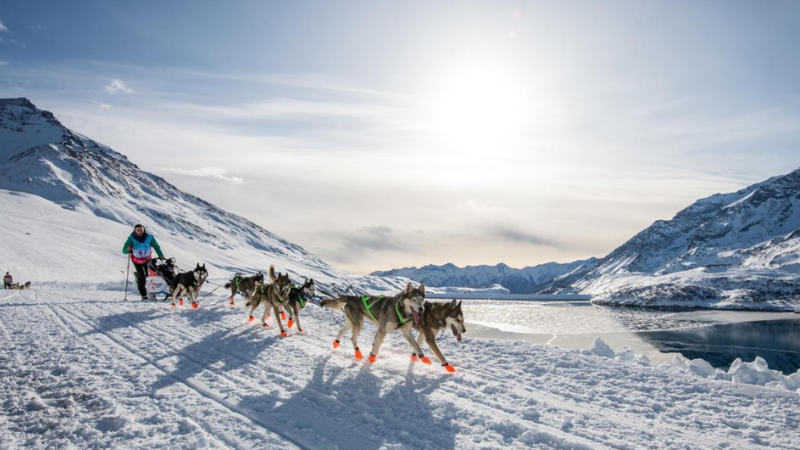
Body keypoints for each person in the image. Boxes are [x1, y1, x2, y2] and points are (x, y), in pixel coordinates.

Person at [122, 224, 165, 300]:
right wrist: (128, 249)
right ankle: (144, 295)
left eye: (141, 230)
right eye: (137, 230)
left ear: (144, 230)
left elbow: (156, 247)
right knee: (141, 278)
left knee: (151, 277)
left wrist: (161, 256)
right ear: (135, 231)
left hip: (147, 260)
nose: (139, 232)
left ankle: (152, 294)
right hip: (137, 261)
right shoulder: (131, 239)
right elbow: (124, 251)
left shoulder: (150, 238)